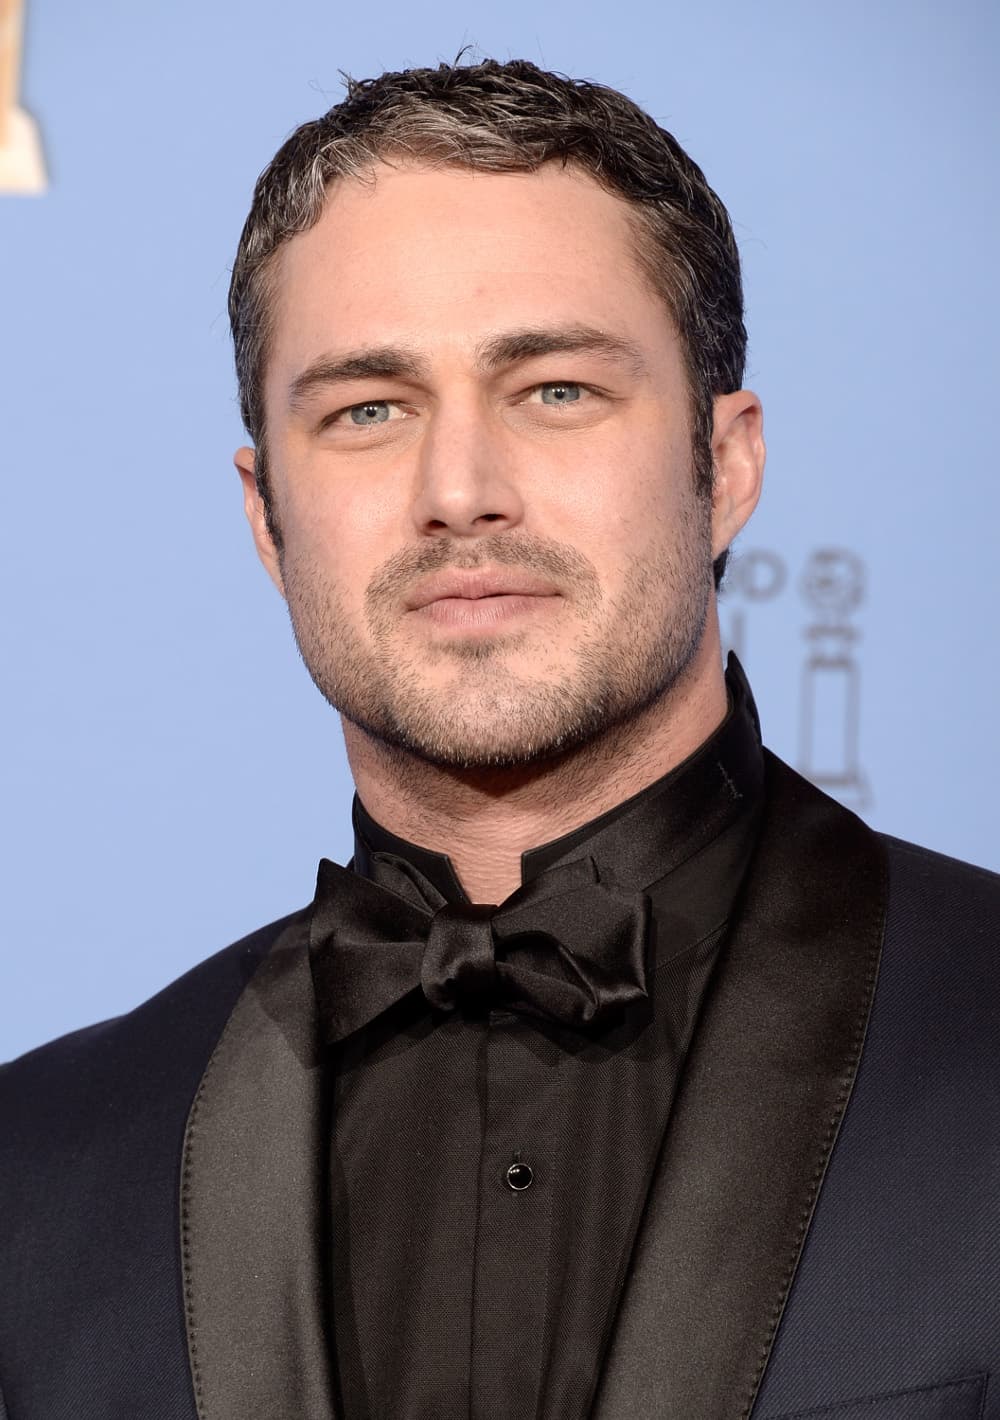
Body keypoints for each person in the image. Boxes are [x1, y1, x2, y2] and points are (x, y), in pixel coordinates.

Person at [1, 56, 997, 1420]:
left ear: (728, 466)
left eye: (556, 390)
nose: (460, 490)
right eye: (368, 410)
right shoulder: (38, 1176)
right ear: (266, 517)